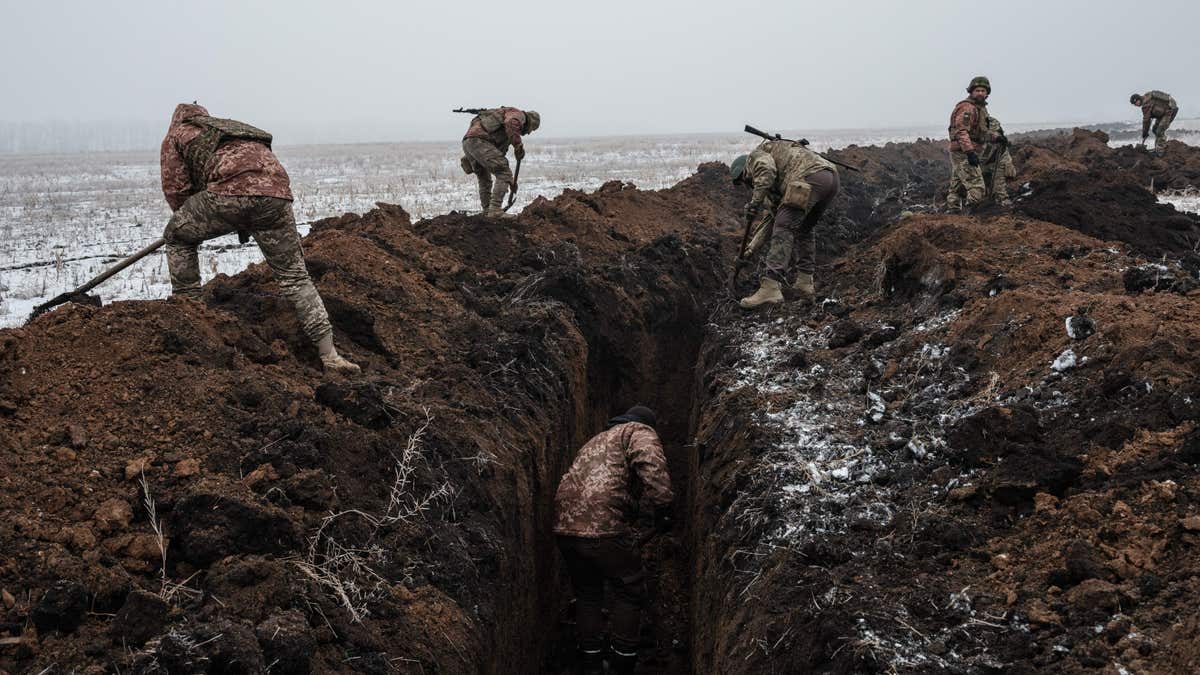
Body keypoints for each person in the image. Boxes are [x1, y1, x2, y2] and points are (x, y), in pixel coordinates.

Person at [159, 103, 359, 375]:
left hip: (228, 193)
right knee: (295, 277)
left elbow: (177, 189)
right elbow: (256, 170)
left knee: (177, 236)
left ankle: (191, 314)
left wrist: (193, 221)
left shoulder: (177, 134)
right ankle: (330, 355)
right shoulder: (228, 129)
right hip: (276, 195)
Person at [554, 405, 673, 675]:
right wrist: (664, 506)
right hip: (604, 526)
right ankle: (623, 663)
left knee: (587, 594)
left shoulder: (595, 441)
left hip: (566, 527)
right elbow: (651, 463)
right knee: (629, 590)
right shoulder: (637, 430)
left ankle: (591, 664)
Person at [729, 139, 840, 309]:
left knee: (784, 226)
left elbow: (766, 171)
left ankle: (770, 287)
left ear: (744, 172)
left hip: (808, 177)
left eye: (745, 182)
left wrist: (755, 202)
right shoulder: (777, 186)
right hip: (830, 179)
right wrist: (749, 251)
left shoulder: (755, 157)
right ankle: (804, 281)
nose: (748, 186)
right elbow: (769, 222)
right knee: (804, 229)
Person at [459, 106, 541, 216]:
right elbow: (511, 122)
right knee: (503, 171)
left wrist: (510, 181)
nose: (529, 133)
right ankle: (495, 210)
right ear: (530, 122)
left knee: (484, 178)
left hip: (469, 142)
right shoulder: (519, 116)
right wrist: (518, 145)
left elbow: (497, 155)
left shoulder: (503, 123)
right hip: (480, 141)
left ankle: (488, 210)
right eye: (532, 129)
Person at [947, 76, 999, 213]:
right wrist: (969, 152)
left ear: (987, 93)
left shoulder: (980, 109)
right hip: (963, 152)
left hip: (969, 149)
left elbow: (981, 132)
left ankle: (952, 212)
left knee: (957, 186)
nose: (980, 93)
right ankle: (971, 214)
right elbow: (961, 131)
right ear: (971, 91)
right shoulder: (967, 108)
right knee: (977, 186)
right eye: (977, 90)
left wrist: (996, 138)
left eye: (983, 90)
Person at [1130, 90, 1179, 156]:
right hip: (1163, 114)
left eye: (1135, 103)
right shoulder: (1147, 96)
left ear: (1138, 100)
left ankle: (1160, 151)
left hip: (1169, 112)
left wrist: (1145, 133)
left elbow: (1146, 121)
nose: (1135, 105)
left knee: (1159, 131)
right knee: (1155, 129)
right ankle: (1158, 147)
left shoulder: (1145, 106)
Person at [981, 116, 1015, 207]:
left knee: (1000, 178)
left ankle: (1002, 199)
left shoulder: (989, 121)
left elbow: (995, 134)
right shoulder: (968, 125)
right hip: (982, 158)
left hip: (999, 155)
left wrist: (998, 137)